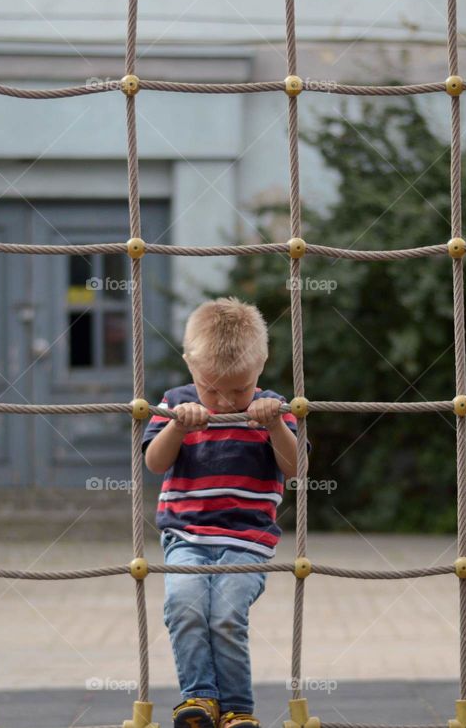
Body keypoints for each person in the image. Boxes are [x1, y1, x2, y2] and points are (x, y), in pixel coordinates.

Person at [143, 297, 311, 728]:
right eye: (210, 388)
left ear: (262, 364)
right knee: (184, 607)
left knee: (226, 616)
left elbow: (296, 469)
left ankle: (237, 708)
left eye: (239, 389)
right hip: (186, 538)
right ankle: (199, 699)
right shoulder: (174, 403)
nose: (224, 401)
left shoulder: (273, 407)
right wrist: (178, 425)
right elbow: (155, 464)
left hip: (246, 542)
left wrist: (274, 423)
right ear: (189, 366)